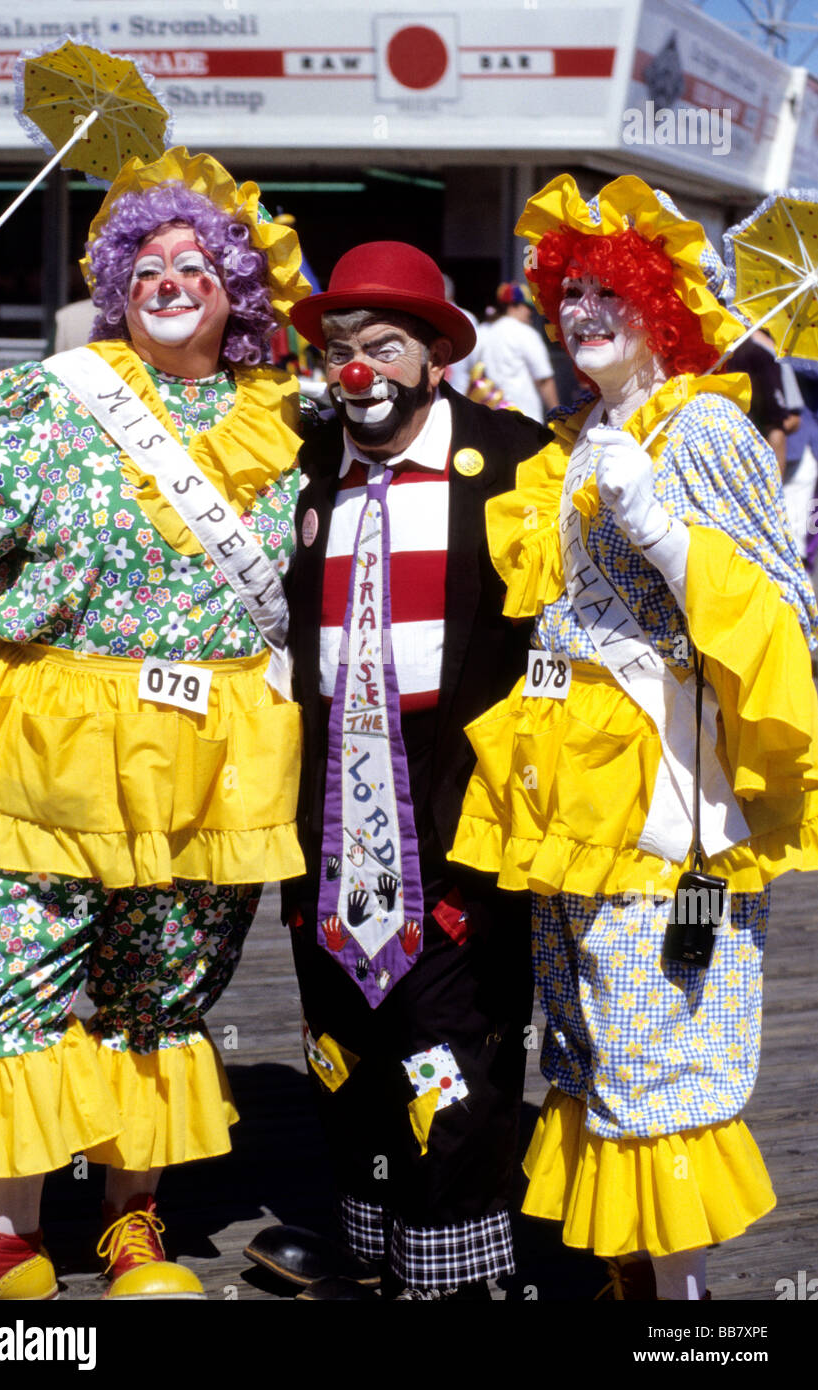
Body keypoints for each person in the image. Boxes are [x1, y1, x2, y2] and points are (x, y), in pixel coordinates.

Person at [0, 146, 309, 1300]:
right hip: (48, 749)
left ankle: (131, 1227)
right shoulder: (52, 398)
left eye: (194, 262)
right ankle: (6, 1238)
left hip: (204, 757)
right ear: (114, 279)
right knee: (5, 978)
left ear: (235, 290)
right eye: (144, 260)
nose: (167, 277)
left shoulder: (284, 426)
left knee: (164, 987)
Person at [450, 175, 818, 1300]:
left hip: (669, 802)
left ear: (664, 302)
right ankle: (635, 1287)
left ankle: (687, 1312)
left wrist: (662, 530)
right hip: (567, 797)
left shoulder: (705, 424)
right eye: (573, 291)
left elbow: (786, 615)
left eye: (614, 289)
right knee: (594, 1035)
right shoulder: (586, 436)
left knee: (663, 1040)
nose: (584, 310)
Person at [250, 241, 546, 1300]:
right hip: (330, 780)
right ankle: (369, 1239)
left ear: (435, 356)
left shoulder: (517, 459)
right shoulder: (303, 465)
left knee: (450, 1032)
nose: (358, 369)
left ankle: (457, 1264)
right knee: (342, 1021)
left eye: (383, 346)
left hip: (452, 781)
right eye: (340, 350)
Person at [478, 282, 558, 421]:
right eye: (528, 307)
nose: (531, 312)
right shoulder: (526, 333)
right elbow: (544, 379)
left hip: (491, 418)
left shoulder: (483, 331)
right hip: (524, 419)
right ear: (513, 306)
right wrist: (558, 416)